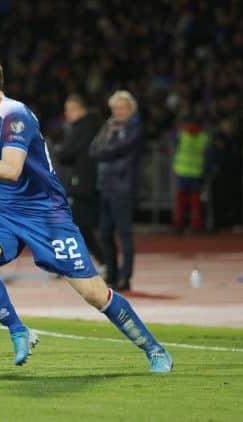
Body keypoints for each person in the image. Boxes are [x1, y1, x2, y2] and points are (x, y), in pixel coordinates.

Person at [0, 54, 172, 372]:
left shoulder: (16, 117)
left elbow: (12, 170)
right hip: (6, 211)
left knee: (94, 294)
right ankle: (19, 331)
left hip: (47, 215)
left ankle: (154, 350)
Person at [89, 91, 144, 292]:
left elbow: (118, 149)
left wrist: (105, 149)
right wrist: (106, 148)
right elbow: (93, 150)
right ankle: (112, 273)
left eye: (122, 108)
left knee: (124, 233)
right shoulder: (109, 126)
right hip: (105, 185)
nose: (118, 112)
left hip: (123, 187)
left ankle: (125, 277)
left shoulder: (135, 128)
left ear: (131, 109)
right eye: (115, 108)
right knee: (105, 232)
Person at [52, 94, 104, 271]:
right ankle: (103, 262)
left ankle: (104, 262)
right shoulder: (87, 127)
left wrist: (59, 149)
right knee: (80, 227)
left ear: (82, 110)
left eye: (71, 109)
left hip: (82, 185)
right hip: (84, 184)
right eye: (67, 110)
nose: (68, 114)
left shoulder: (83, 128)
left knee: (76, 226)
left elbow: (66, 154)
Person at [172, 118, 211, 233]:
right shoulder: (204, 137)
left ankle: (178, 226)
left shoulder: (181, 135)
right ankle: (195, 226)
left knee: (181, 202)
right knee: (195, 203)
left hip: (182, 173)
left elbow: (172, 141)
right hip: (196, 173)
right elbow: (208, 155)